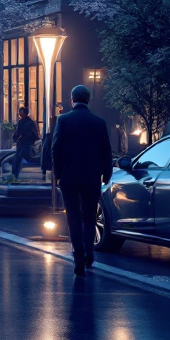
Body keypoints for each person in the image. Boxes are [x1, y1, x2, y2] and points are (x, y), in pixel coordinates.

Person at [50, 85, 113, 276]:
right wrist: (106, 174)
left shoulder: (64, 120)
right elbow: (106, 151)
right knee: (89, 217)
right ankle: (89, 253)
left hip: (69, 177)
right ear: (88, 100)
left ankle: (78, 258)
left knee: (73, 218)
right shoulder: (99, 122)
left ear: (71, 100)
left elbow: (55, 148)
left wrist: (58, 174)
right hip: (92, 177)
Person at [10, 106, 38, 180]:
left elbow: (19, 132)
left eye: (20, 113)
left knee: (18, 159)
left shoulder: (24, 122)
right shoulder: (30, 122)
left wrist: (15, 138)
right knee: (18, 158)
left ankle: (15, 174)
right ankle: (15, 174)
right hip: (26, 143)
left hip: (23, 143)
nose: (19, 114)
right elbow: (34, 133)